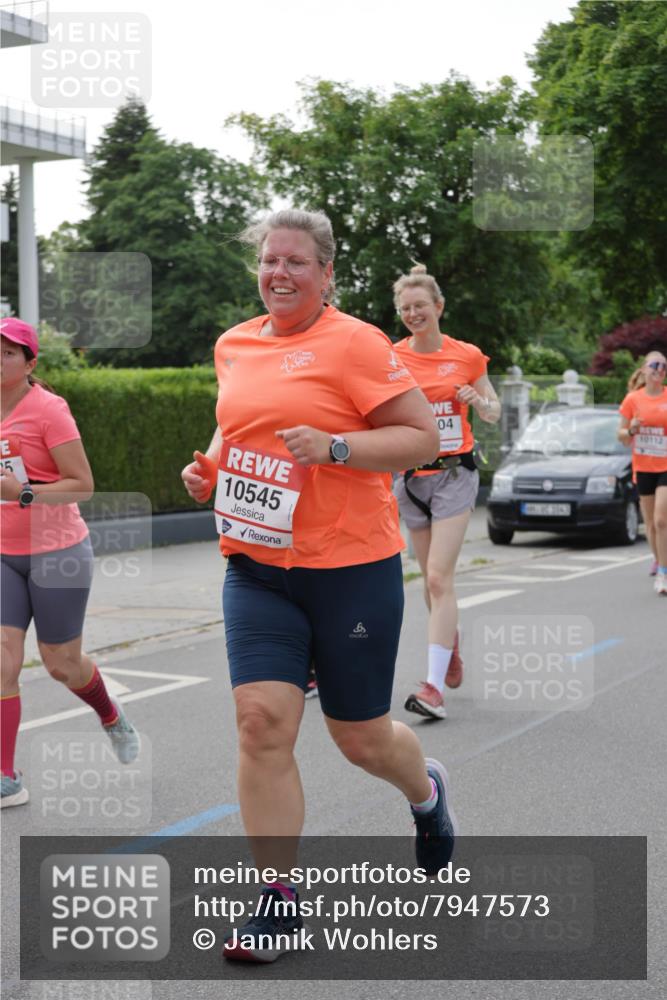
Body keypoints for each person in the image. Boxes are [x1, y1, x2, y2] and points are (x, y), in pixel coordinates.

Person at [181, 209, 459, 963]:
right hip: (257, 569)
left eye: (296, 262)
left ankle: (424, 792)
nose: (279, 273)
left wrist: (336, 445)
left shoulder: (356, 343)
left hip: (350, 571)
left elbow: (421, 438)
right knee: (260, 723)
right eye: (270, 260)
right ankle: (278, 903)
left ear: (327, 272)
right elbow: (235, 427)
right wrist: (208, 466)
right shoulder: (233, 344)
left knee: (359, 738)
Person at [0, 318, 139, 809]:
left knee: (62, 664)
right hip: (2, 556)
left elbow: (82, 484)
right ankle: (6, 777)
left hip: (57, 551)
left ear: (29, 362)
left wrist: (24, 494)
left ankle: (110, 715)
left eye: (8, 352)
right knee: (2, 662)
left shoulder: (48, 410)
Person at [391, 265, 501, 719]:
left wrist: (478, 402)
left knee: (438, 578)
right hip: (410, 479)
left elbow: (493, 412)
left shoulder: (467, 356)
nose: (413, 314)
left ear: (438, 307)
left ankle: (433, 688)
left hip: (455, 474)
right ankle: (449, 647)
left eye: (420, 306)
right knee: (428, 587)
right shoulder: (392, 356)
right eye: (405, 309)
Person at [618, 351, 667, 595]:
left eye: (664, 367)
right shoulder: (632, 399)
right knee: (649, 524)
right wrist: (632, 430)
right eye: (654, 365)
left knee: (661, 520)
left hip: (666, 466)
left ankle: (663, 573)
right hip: (644, 465)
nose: (659, 370)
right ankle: (660, 560)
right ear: (645, 369)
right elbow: (622, 437)